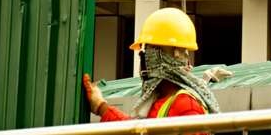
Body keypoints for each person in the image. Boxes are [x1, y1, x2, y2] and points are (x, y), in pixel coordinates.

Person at [83, 7, 219, 122]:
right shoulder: (160, 100)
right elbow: (136, 131)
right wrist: (101, 106)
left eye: (145, 54)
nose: (143, 63)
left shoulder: (186, 106)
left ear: (158, 57)